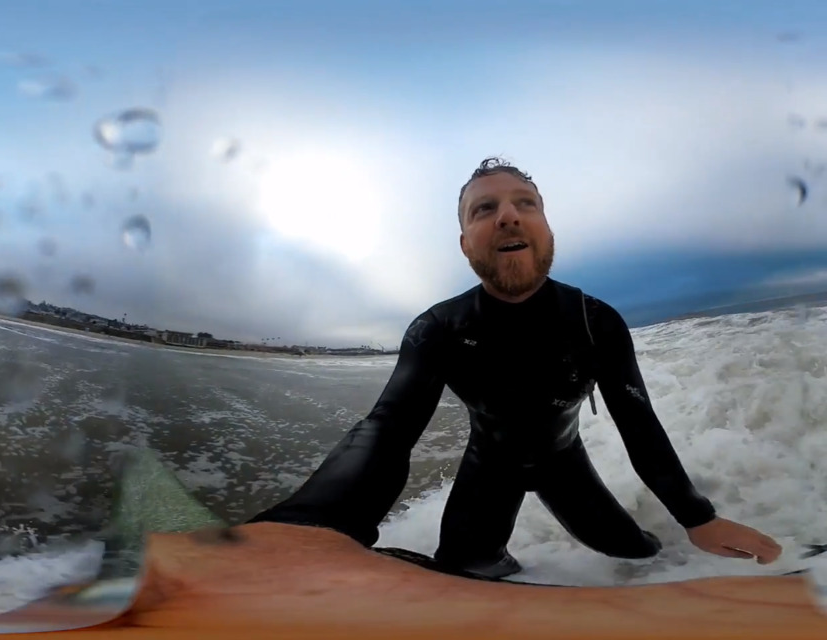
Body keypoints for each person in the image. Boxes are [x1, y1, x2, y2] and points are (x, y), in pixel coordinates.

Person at [247, 157, 783, 579]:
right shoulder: (438, 329)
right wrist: (312, 523)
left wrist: (698, 518)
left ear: (547, 230)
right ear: (465, 244)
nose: (507, 214)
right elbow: (388, 429)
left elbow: (639, 428)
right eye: (484, 209)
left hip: (565, 466)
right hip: (488, 469)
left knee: (639, 556)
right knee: (464, 570)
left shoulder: (597, 323)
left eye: (524, 203)